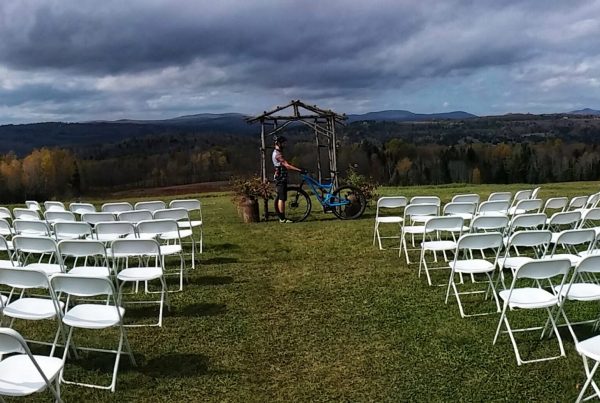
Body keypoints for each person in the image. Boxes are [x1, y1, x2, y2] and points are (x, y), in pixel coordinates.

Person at [272, 135, 304, 223]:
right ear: (278, 143)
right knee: (281, 198)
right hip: (280, 178)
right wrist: (299, 170)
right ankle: (282, 218)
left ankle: (282, 217)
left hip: (282, 177)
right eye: (283, 143)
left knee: (282, 197)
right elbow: (287, 165)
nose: (284, 145)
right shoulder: (278, 154)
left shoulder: (277, 152)